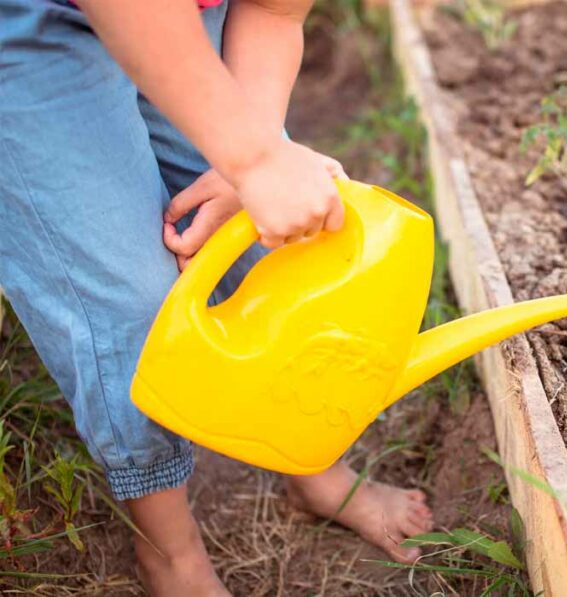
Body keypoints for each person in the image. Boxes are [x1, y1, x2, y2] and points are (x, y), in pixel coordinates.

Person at [0, 0, 433, 593]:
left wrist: (247, 166)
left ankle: (310, 467)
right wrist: (254, 160)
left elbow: (275, 12)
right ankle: (169, 552)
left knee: (280, 247)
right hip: (27, 28)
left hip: (191, 12)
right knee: (133, 303)